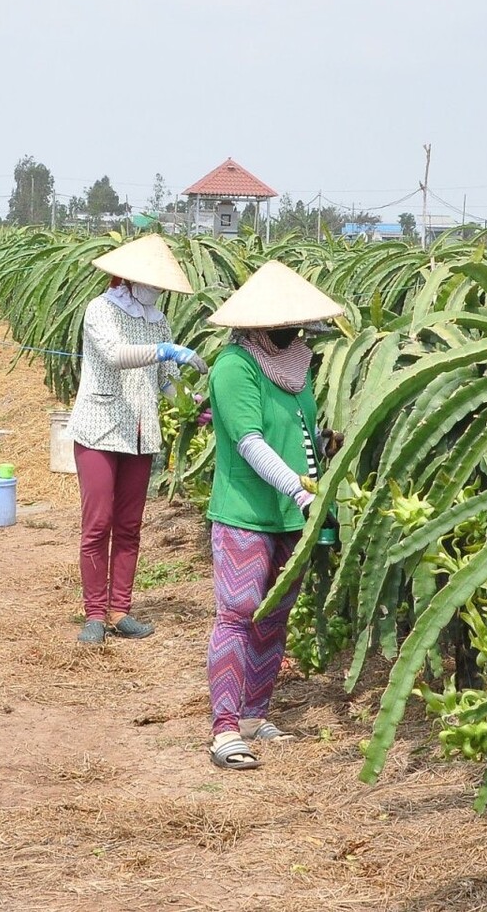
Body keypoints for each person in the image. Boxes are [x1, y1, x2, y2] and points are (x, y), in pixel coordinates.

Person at [202, 260, 346, 771]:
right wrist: (300, 490)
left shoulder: (298, 365)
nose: (295, 331)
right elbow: (249, 442)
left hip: (292, 515)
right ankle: (224, 730)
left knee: (273, 618)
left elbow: (297, 429)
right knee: (238, 614)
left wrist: (327, 446)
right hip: (246, 510)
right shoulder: (234, 367)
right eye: (287, 322)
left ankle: (255, 714)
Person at [66, 234, 205, 645]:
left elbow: (165, 381)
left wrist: (192, 401)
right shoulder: (101, 310)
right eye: (152, 282)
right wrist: (165, 350)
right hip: (100, 426)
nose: (156, 290)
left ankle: (121, 609)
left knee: (129, 525)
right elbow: (114, 355)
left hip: (141, 434)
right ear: (128, 279)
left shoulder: (157, 319)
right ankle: (94, 613)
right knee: (98, 523)